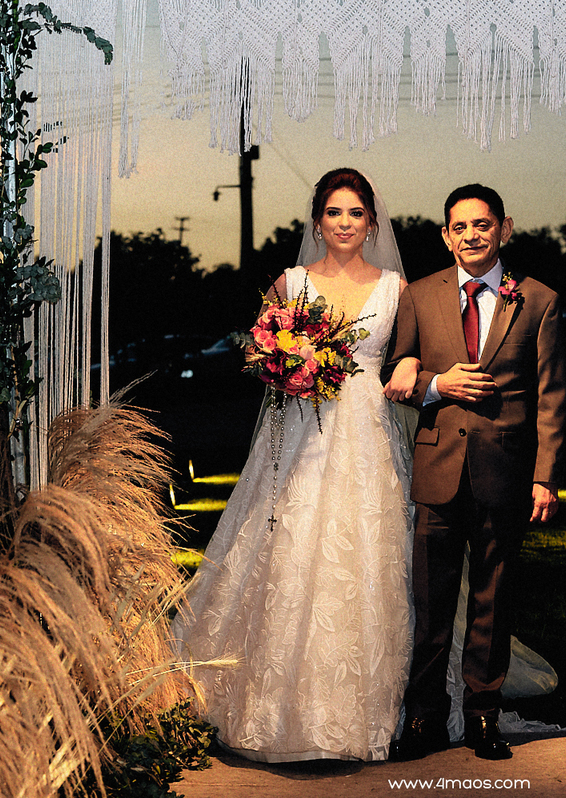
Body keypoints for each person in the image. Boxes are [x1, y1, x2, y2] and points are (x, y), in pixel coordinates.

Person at [172, 168, 414, 762]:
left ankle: (365, 709)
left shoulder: (396, 287)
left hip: (367, 433)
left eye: (356, 214)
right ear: (317, 222)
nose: (345, 224)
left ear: (372, 222)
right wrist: (285, 361)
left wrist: (405, 368)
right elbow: (255, 351)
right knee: (290, 550)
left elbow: (411, 354)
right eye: (334, 213)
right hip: (303, 433)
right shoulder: (292, 281)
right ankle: (276, 704)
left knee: (366, 555)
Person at [385, 183, 566, 761]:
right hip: (438, 467)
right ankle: (424, 719)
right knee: (432, 603)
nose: (471, 235)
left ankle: (483, 715)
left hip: (505, 472)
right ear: (446, 235)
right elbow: (397, 375)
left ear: (504, 229)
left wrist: (544, 476)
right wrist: (438, 384)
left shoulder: (536, 299)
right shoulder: (418, 295)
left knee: (493, 596)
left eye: (482, 225)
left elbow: (552, 397)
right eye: (460, 227)